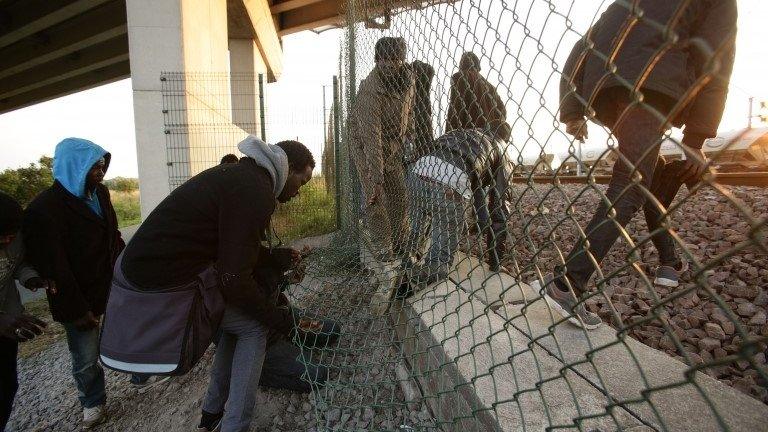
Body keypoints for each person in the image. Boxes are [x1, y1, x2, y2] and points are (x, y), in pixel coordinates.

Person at [548, 0, 737, 329]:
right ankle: (567, 285)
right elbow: (718, 56)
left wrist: (573, 110)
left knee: (649, 171)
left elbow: (582, 46)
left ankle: (669, 262)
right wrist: (696, 138)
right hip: (651, 84)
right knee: (632, 183)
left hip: (605, 88)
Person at [117, 136, 321, 432]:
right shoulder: (256, 190)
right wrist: (282, 320)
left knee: (233, 327)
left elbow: (232, 250)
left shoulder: (243, 178)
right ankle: (235, 425)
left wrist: (273, 258)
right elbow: (234, 280)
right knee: (254, 327)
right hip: (157, 282)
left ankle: (211, 416)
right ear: (289, 169)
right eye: (301, 182)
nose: (298, 193)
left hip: (144, 271)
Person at [23, 138, 126, 428]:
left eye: (103, 166)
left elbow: (112, 235)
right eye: (94, 167)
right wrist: (77, 310)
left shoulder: (100, 194)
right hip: (76, 295)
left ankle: (139, 375)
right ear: (74, 167)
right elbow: (54, 266)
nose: (101, 172)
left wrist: (126, 265)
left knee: (126, 334)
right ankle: (93, 402)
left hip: (110, 285)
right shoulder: (44, 209)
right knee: (85, 356)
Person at [348, 37, 415, 312]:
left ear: (401, 61)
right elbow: (370, 136)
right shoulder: (369, 88)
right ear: (377, 61)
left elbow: (410, 111)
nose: (389, 66)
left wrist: (408, 134)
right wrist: (375, 179)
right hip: (366, 145)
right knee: (377, 202)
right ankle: (386, 261)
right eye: (383, 61)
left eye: (394, 60)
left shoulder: (409, 80)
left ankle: (401, 250)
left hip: (393, 146)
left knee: (400, 196)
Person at [402, 128, 512, 292]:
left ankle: (403, 267)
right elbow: (499, 209)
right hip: (450, 182)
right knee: (439, 257)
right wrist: (496, 262)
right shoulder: (502, 150)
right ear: (507, 140)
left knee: (413, 234)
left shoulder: (466, 133)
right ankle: (425, 276)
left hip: (418, 172)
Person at [0, 192, 51, 432]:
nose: (9, 240)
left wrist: (31, 279)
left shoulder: (14, 237)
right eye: (2, 236)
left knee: (7, 385)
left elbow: (18, 264)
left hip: (10, 324)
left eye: (13, 234)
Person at [445, 52, 508, 141]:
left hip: (467, 138)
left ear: (461, 65)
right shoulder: (490, 87)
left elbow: (455, 110)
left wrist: (449, 135)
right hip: (489, 138)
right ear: (478, 65)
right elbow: (502, 112)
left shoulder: (459, 77)